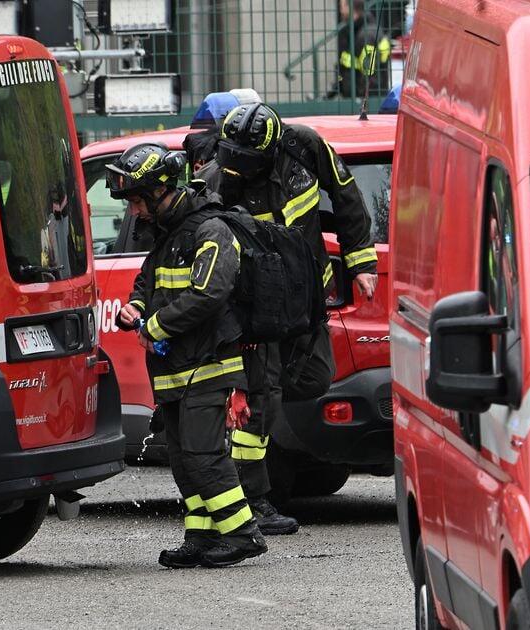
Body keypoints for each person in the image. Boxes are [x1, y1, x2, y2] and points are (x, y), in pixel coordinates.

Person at [184, 102, 379, 531]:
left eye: (245, 159)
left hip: (305, 296)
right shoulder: (217, 179)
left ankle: (255, 416)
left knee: (315, 378)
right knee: (263, 394)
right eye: (229, 154)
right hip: (258, 305)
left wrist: (361, 262)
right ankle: (253, 498)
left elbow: (345, 193)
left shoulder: (304, 146)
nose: (235, 165)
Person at [106, 142, 268, 569]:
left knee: (203, 454)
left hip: (210, 365)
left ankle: (242, 533)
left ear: (162, 190)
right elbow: (147, 281)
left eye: (138, 200)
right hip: (177, 370)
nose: (135, 211)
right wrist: (136, 309)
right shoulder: (166, 235)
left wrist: (155, 327)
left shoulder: (210, 230)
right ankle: (200, 535)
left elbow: (210, 293)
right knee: (182, 459)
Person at [335, 0, 392, 98]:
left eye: (342, 7)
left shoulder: (367, 35)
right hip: (356, 98)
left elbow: (369, 74)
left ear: (351, 8)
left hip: (366, 101)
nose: (341, 11)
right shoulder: (353, 32)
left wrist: (362, 99)